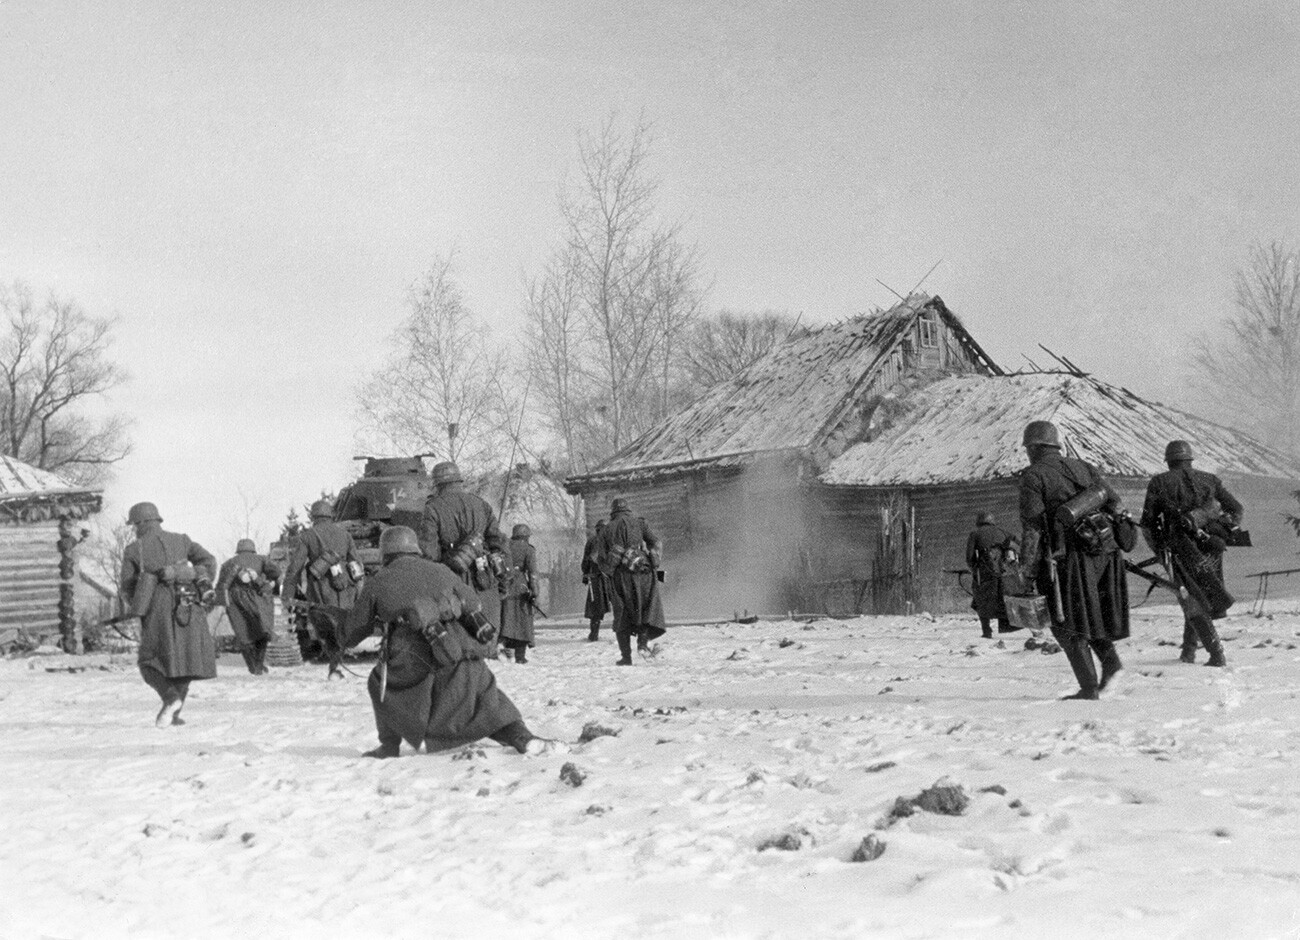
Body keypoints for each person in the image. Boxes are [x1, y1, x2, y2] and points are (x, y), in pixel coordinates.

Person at [341, 525, 551, 758]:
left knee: (379, 682)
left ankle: (389, 746)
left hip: (414, 662)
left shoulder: (378, 580)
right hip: (462, 651)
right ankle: (521, 736)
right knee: (486, 697)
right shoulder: (442, 570)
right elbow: (471, 601)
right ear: (415, 548)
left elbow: (353, 633)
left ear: (385, 553)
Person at [1018, 420, 1130, 700]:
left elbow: (1032, 527)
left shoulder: (1033, 475)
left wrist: (1028, 571)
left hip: (1067, 557)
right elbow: (1115, 503)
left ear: (1034, 448)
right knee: (1090, 613)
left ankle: (1088, 687)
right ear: (1055, 445)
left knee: (1064, 620)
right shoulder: (1085, 467)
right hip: (1104, 552)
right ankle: (1111, 662)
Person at [1140, 439, 1243, 667]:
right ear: (1189, 459)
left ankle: (1215, 654)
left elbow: (1147, 524)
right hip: (1212, 547)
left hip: (1181, 550)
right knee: (1201, 595)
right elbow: (1236, 509)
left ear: (1169, 461)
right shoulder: (1210, 480)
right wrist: (1223, 529)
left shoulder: (1159, 483)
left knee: (1191, 598)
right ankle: (1188, 652)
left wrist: (1160, 550)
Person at [119, 502, 218, 728]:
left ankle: (170, 699)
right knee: (185, 660)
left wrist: (139, 602)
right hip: (190, 606)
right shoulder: (182, 540)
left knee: (149, 662)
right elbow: (209, 561)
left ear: (142, 523)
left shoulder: (135, 550)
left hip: (158, 610)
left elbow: (126, 588)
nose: (134, 529)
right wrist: (190, 573)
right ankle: (172, 713)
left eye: (135, 525)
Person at [419, 461, 506, 631]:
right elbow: (500, 546)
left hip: (453, 587)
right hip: (485, 583)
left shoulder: (432, 508)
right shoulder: (482, 504)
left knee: (459, 640)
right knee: (486, 638)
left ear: (437, 484)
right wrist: (503, 582)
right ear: (459, 481)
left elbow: (429, 554)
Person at [281, 499, 363, 678]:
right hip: (344, 589)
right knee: (340, 625)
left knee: (326, 629)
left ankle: (334, 664)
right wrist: (358, 588)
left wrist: (287, 593)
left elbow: (295, 567)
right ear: (330, 515)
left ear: (314, 516)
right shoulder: (345, 535)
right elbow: (356, 564)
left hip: (320, 590)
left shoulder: (308, 536)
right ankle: (336, 662)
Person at [597, 497, 667, 666]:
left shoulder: (606, 530)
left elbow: (601, 558)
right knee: (644, 608)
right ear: (628, 509)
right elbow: (656, 542)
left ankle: (626, 657)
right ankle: (642, 644)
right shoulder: (640, 523)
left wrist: (608, 570)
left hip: (620, 577)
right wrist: (654, 559)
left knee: (622, 613)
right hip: (644, 573)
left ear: (613, 511)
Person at [216, 538, 282, 675]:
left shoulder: (229, 563)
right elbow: (276, 572)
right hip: (257, 598)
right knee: (262, 630)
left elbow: (220, 586)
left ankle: (252, 666)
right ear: (253, 548)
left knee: (244, 634)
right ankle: (258, 665)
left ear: (238, 549)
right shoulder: (261, 559)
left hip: (235, 601)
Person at [965, 512, 1019, 638]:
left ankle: (987, 631)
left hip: (984, 575)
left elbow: (969, 557)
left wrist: (974, 569)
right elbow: (1018, 544)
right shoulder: (1004, 532)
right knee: (1003, 600)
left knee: (980, 600)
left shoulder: (975, 534)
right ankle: (1010, 626)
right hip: (1004, 575)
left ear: (979, 521)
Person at [499, 523, 539, 664]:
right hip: (521, 585)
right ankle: (520, 656)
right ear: (526, 536)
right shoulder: (528, 550)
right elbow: (532, 573)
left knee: (506, 619)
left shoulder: (504, 546)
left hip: (505, 584)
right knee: (523, 620)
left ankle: (506, 653)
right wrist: (535, 591)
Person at [581, 519, 611, 641]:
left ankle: (594, 634)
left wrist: (585, 574)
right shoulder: (610, 541)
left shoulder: (592, 541)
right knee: (618, 604)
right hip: (607, 578)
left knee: (596, 608)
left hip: (597, 579)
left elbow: (585, 562)